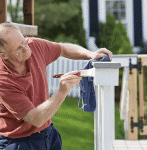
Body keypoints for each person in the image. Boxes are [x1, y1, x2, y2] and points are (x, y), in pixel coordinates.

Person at [0, 22, 113, 150]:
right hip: (19, 142)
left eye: (24, 42)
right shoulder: (4, 80)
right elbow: (35, 119)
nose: (26, 49)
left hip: (47, 134)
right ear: (3, 55)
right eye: (18, 49)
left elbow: (62, 49)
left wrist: (91, 54)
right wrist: (62, 92)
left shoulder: (33, 46)